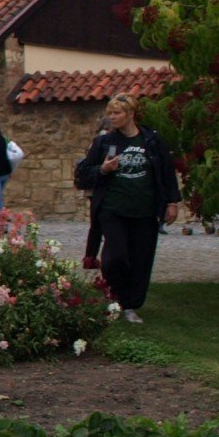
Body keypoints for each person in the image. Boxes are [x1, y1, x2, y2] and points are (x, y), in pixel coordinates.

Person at [74, 93, 180, 323]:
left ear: (131, 114)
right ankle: (114, 295)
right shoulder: (105, 142)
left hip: (144, 210)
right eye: (110, 113)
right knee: (116, 257)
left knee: (141, 258)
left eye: (117, 113)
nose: (112, 117)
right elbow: (83, 175)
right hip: (113, 209)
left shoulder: (151, 140)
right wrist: (102, 169)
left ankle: (131, 304)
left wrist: (172, 202)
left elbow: (166, 173)